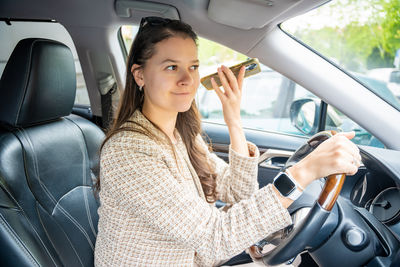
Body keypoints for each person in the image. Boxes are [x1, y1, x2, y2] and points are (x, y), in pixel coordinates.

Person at [94, 17, 361, 267]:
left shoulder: (179, 135)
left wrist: (234, 120)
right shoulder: (128, 151)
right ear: (139, 75)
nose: (188, 80)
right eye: (171, 67)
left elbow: (238, 193)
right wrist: (305, 172)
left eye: (193, 66)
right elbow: (214, 238)